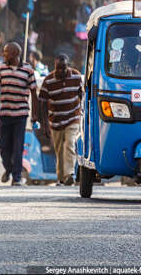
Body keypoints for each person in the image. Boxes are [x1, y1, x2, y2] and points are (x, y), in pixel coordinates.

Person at [0, 42, 38, 186]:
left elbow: (34, 92)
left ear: (15, 54)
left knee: (18, 146)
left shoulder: (28, 70)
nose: (4, 55)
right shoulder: (1, 69)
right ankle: (8, 168)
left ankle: (16, 177)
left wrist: (35, 113)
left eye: (6, 52)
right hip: (5, 113)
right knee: (4, 146)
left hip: (21, 114)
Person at [38, 54, 83, 186]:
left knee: (69, 144)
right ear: (55, 66)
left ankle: (70, 174)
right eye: (58, 68)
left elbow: (82, 95)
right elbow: (42, 104)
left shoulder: (76, 76)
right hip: (56, 121)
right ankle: (61, 178)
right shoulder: (48, 81)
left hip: (73, 118)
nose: (61, 71)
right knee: (59, 150)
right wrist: (44, 125)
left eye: (64, 68)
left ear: (68, 66)